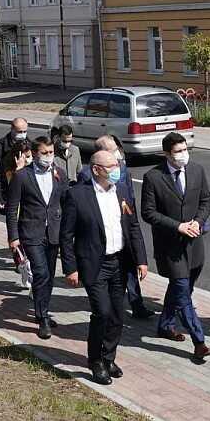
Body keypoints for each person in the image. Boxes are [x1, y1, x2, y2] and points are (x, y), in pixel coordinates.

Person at [61, 150, 148, 385]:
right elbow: (66, 234)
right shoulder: (78, 195)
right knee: (103, 311)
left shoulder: (121, 191)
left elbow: (133, 227)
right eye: (110, 166)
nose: (116, 169)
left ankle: (109, 356)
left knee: (118, 314)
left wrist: (141, 259)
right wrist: (70, 268)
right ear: (96, 169)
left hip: (120, 262)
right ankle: (95, 360)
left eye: (117, 164)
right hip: (94, 264)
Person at [140, 132, 210, 363]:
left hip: (194, 245)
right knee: (182, 291)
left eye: (185, 150)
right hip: (170, 246)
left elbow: (205, 201)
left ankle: (165, 325)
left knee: (182, 288)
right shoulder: (153, 177)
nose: (183, 155)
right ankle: (199, 341)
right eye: (178, 152)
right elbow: (148, 213)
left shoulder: (197, 170)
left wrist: (198, 222)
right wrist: (177, 226)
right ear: (167, 154)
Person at [6, 136, 70, 339]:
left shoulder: (59, 174)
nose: (48, 157)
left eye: (51, 153)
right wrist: (13, 236)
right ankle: (42, 319)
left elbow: (67, 203)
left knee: (49, 275)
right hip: (31, 232)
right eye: (44, 153)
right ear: (34, 154)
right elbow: (12, 207)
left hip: (53, 232)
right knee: (40, 273)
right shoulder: (22, 176)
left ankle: (43, 310)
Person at [91, 135, 153, 318]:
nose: (117, 155)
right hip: (104, 235)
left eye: (117, 149)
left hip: (124, 225)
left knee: (130, 265)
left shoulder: (122, 167)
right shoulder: (87, 177)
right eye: (112, 151)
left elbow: (129, 194)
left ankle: (136, 304)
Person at [0, 117, 29, 216]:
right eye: (19, 132)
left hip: (27, 195)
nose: (23, 134)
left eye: (25, 131)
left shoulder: (30, 146)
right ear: (12, 129)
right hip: (9, 194)